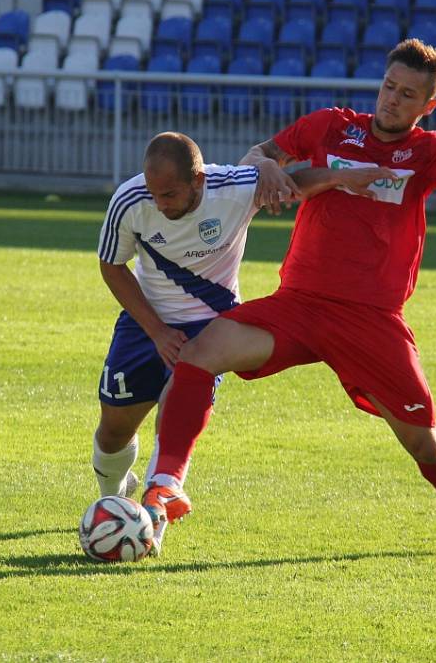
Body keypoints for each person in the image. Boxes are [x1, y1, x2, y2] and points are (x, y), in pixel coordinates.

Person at [142, 37, 436, 555]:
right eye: (389, 87)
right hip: (299, 305)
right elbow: (258, 155)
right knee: (198, 356)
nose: (392, 100)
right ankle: (165, 486)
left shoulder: (428, 153)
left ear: (429, 106)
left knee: (424, 441)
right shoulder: (332, 127)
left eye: (407, 95)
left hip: (372, 322)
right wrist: (267, 167)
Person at [93, 131, 393, 520]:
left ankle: (154, 509)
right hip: (147, 322)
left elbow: (294, 184)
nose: (159, 203)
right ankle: (112, 496)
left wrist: (340, 178)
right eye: (153, 192)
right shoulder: (131, 200)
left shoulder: (232, 187)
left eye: (169, 195)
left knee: (174, 409)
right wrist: (157, 331)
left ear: (198, 181)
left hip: (213, 328)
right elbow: (111, 265)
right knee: (114, 431)